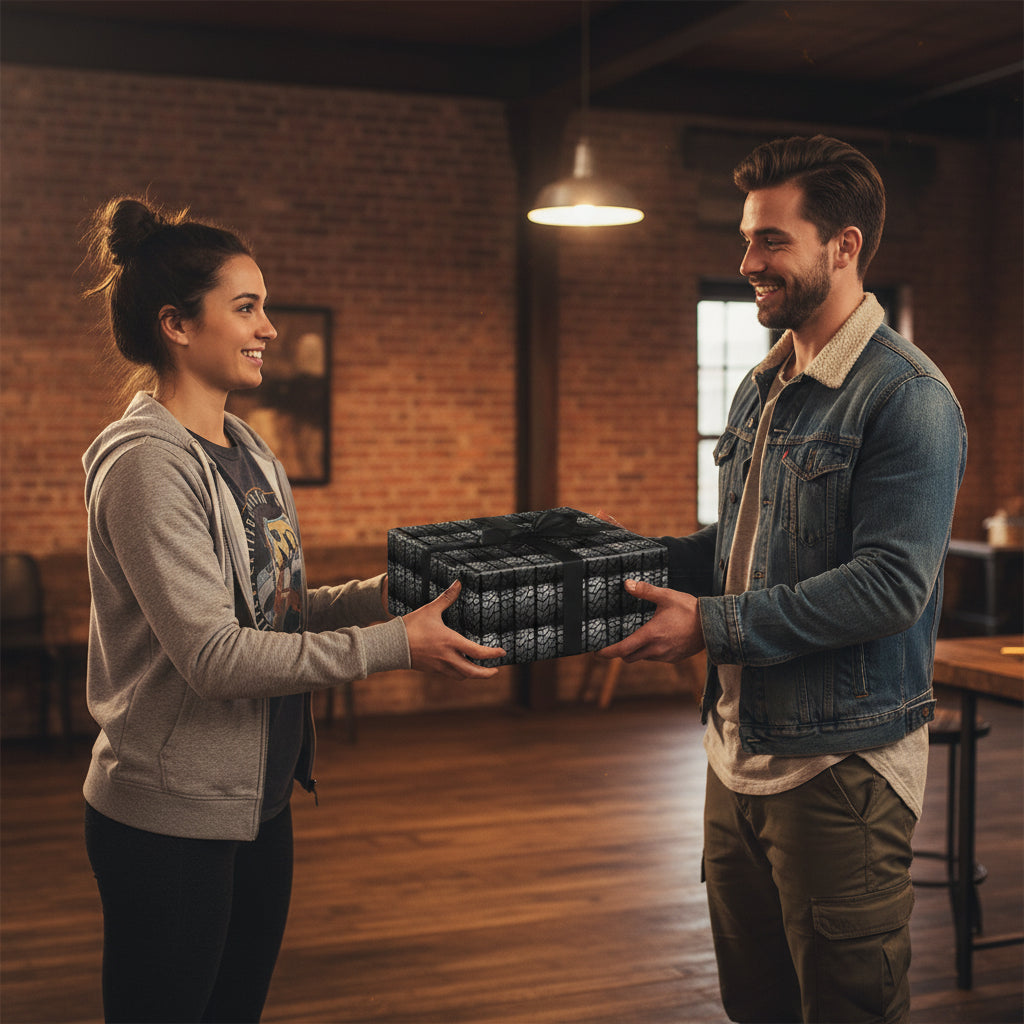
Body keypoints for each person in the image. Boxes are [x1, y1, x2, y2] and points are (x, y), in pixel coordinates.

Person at [79, 196, 504, 1024]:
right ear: (175, 324)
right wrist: (393, 645)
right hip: (170, 820)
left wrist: (383, 598)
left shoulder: (248, 450)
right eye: (246, 307)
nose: (268, 326)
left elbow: (272, 612)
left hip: (257, 803)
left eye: (263, 306)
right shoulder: (143, 467)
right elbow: (215, 658)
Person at [601, 135, 966, 1023]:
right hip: (736, 755)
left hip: (841, 768)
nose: (747, 261)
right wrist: (622, 562)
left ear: (843, 246)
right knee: (754, 1005)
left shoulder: (905, 396)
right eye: (746, 238)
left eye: (770, 240)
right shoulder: (767, 384)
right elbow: (746, 543)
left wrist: (711, 626)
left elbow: (889, 586)